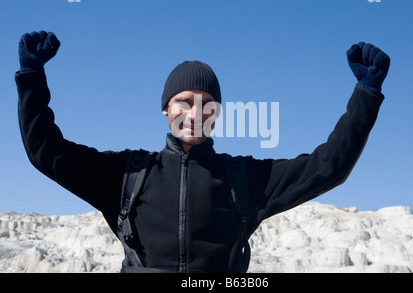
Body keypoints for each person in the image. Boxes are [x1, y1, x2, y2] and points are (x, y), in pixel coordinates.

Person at [15, 30, 390, 273]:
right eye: (183, 101)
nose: (194, 113)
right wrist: (32, 78)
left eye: (207, 104)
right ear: (165, 108)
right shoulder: (128, 175)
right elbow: (46, 151)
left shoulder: (243, 179)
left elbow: (329, 167)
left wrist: (366, 94)